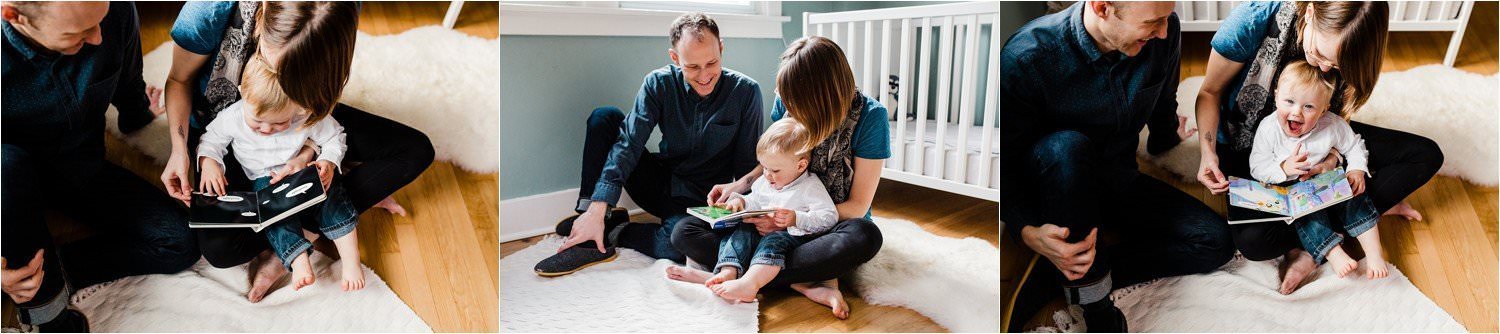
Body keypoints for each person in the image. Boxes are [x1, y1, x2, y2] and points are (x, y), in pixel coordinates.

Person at [165, 2, 434, 302]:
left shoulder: (337, 13)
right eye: (276, 69)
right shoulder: (212, 8)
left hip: (302, 121)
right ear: (261, 22)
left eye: (297, 76)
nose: (282, 83)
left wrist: (310, 152)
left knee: (415, 150)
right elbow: (179, 81)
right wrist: (182, 151)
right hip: (238, 133)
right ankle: (308, 220)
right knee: (220, 248)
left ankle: (298, 241)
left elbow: (327, 128)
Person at [1000, 2, 1234, 331]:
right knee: (1067, 145)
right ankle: (1096, 309)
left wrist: (1166, 139)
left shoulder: (1163, 32)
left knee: (1215, 242)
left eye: (1167, 17)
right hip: (1056, 190)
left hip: (1117, 178)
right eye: (1153, 22)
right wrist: (1025, 230)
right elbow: (1004, 162)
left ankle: (1064, 277)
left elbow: (1164, 100)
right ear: (1102, 7)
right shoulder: (1026, 57)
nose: (1164, 31)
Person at [1193, 1, 1439, 294]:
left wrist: (1333, 159)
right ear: (1309, 12)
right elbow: (1209, 91)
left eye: (1336, 66)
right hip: (1248, 144)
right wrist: (1208, 153)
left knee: (1425, 155)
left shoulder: (1351, 50)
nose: (1323, 68)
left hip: (1320, 133)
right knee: (1253, 242)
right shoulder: (1254, 17)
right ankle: (1347, 224)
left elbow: (1341, 125)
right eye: (1321, 54)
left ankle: (1323, 236)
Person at [2, 2, 199, 331]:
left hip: (80, 166)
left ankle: (45, 272)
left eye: (100, 22)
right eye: (77, 32)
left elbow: (128, 86)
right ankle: (47, 313)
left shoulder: (116, 10)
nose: (97, 38)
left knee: (180, 241)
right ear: (14, 16)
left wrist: (144, 114)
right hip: (7, 183)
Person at [534, 12, 764, 276]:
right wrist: (598, 207)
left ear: (721, 48)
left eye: (711, 63)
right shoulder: (658, 83)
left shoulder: (746, 92)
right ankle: (589, 223)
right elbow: (629, 143)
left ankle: (614, 229)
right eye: (692, 67)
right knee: (604, 118)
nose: (704, 76)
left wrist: (736, 206)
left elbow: (748, 169)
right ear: (675, 58)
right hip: (660, 182)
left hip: (702, 200)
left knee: (676, 246)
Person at [673, 36, 886, 318]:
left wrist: (792, 220)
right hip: (774, 218)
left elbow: (858, 207)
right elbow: (775, 160)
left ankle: (744, 273)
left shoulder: (871, 117)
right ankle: (799, 280)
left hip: (827, 225)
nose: (787, 107)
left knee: (865, 236)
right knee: (684, 231)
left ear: (821, 96)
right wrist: (741, 188)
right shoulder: (787, 101)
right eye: (785, 98)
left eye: (794, 100)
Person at [196, 53, 367, 292]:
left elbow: (334, 136)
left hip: (305, 171)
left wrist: (328, 160)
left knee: (333, 200)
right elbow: (210, 140)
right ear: (243, 93)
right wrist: (209, 162)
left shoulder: (303, 113)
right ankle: (298, 260)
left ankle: (350, 261)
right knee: (274, 217)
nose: (266, 129)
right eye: (257, 122)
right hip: (265, 178)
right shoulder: (232, 117)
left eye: (278, 124)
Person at [664, 119, 845, 317]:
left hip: (792, 238)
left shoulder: (810, 186)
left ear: (801, 165)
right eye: (764, 167)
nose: (767, 175)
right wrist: (741, 203)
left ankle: (751, 283)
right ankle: (728, 271)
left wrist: (796, 219)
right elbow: (755, 200)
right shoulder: (765, 181)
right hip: (758, 232)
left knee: (774, 241)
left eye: (775, 170)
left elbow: (829, 216)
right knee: (739, 231)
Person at [1245, 61, 1384, 294]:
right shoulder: (1268, 128)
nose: (1297, 112)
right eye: (1289, 102)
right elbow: (1256, 167)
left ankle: (1374, 254)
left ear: (1324, 109)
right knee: (1307, 214)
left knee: (1356, 197)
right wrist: (1283, 168)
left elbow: (1354, 145)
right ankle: (1334, 252)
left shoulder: (1331, 125)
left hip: (1325, 177)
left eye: (1309, 106)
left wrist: (1356, 169)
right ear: (1276, 96)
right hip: (1293, 188)